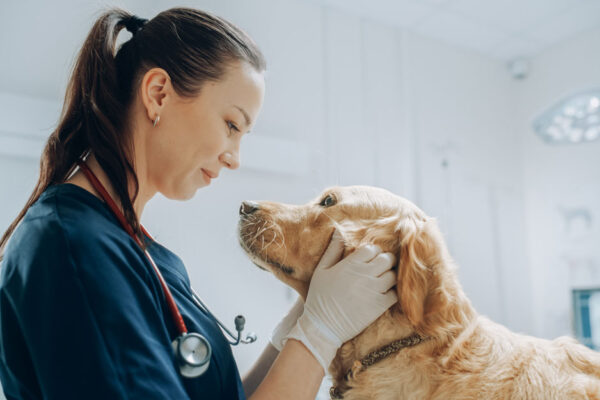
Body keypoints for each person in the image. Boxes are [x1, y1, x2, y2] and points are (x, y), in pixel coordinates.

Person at [0, 7, 397, 400]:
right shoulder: (74, 247)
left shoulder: (143, 253)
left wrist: (297, 327)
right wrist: (319, 334)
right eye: (231, 125)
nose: (234, 157)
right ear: (158, 94)